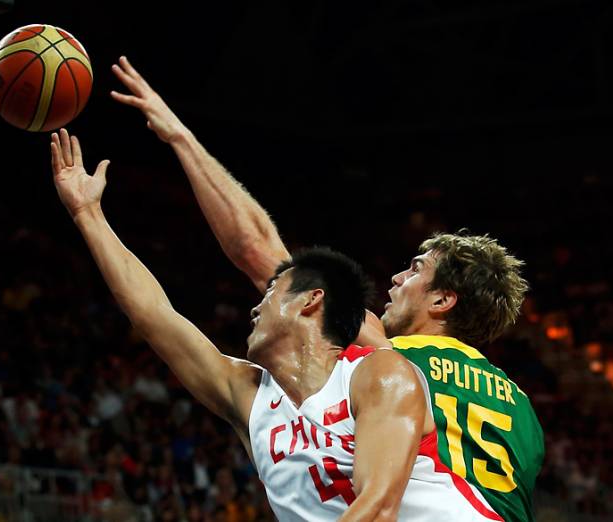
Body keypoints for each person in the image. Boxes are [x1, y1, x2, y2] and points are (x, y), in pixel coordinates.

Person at [111, 55, 544, 521]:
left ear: (443, 300)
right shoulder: (524, 410)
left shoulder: (390, 357)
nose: (397, 279)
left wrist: (180, 138)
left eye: (416, 270)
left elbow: (259, 252)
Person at [49, 129, 502, 521]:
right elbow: (153, 316)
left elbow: (378, 510)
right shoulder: (248, 398)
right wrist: (88, 215)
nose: (253, 308)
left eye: (269, 293)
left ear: (311, 301)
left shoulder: (380, 375)